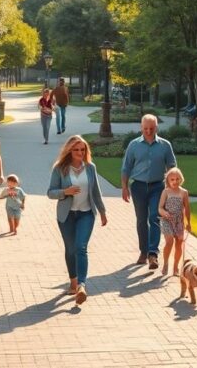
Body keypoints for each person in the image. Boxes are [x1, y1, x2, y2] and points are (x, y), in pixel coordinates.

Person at [47, 135, 108, 305]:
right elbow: (50, 192)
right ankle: (73, 282)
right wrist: (65, 192)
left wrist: (102, 211)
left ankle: (81, 286)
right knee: (70, 249)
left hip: (86, 213)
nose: (80, 152)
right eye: (76, 149)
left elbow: (96, 191)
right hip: (66, 216)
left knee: (81, 247)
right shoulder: (60, 168)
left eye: (82, 149)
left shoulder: (90, 168)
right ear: (69, 150)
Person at [121, 114, 177, 270]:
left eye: (151, 128)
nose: (148, 131)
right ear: (141, 127)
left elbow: (172, 167)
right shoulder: (133, 145)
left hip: (158, 187)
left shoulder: (165, 145)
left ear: (156, 128)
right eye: (145, 128)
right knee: (141, 219)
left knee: (154, 217)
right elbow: (126, 167)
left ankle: (153, 253)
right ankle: (143, 252)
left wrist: (173, 188)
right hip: (138, 187)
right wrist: (124, 187)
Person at [158, 167, 191, 276]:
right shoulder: (166, 192)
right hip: (167, 220)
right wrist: (164, 213)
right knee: (169, 241)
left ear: (180, 179)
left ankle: (176, 267)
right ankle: (166, 263)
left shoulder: (184, 192)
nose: (175, 181)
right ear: (168, 180)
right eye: (172, 179)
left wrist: (188, 223)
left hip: (179, 222)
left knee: (179, 244)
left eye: (177, 179)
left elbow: (187, 209)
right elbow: (160, 208)